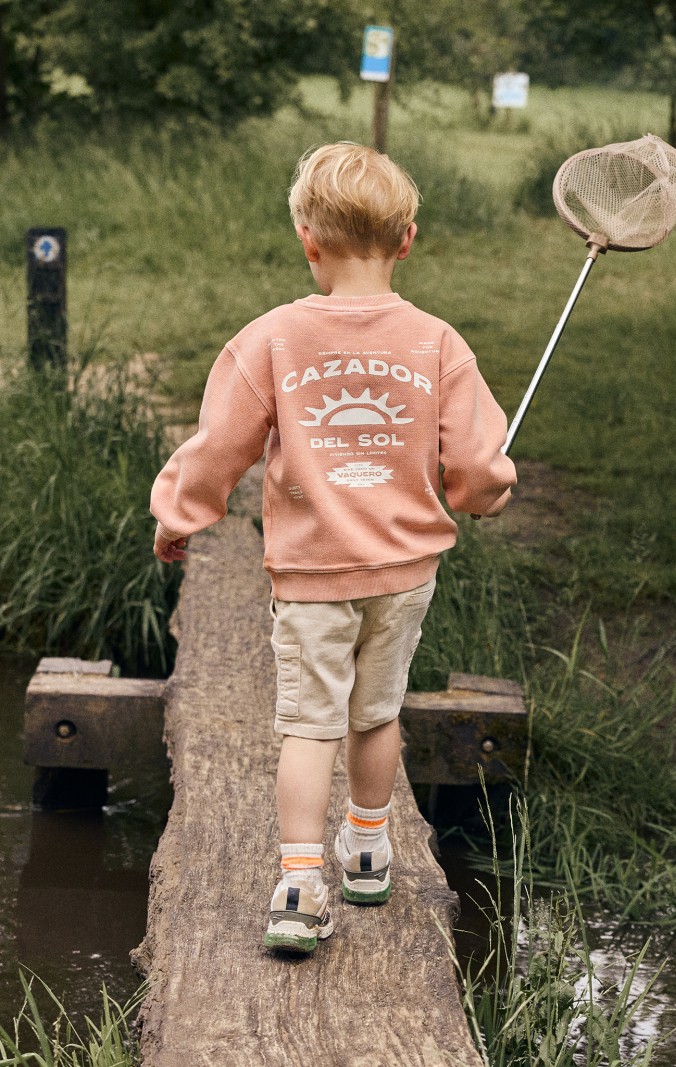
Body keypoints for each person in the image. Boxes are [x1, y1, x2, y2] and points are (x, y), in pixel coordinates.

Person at [151, 142, 517, 954]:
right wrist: (484, 490)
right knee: (377, 710)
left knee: (309, 727)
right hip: (403, 572)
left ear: (307, 238)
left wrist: (179, 512)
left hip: (313, 573)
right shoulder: (438, 343)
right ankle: (366, 845)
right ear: (409, 239)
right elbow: (481, 465)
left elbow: (219, 447)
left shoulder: (275, 338)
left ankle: (297, 881)